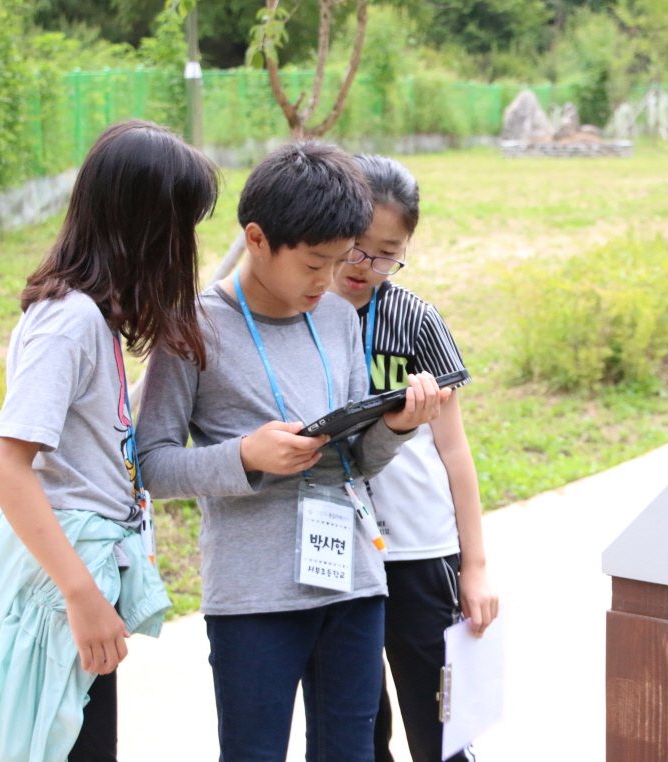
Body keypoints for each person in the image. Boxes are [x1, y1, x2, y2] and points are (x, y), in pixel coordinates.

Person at [134, 141, 450, 762]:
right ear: (255, 239)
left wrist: (399, 426)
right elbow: (153, 465)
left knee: (351, 752)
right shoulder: (191, 328)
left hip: (354, 583)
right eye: (312, 264)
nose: (328, 281)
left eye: (338, 262)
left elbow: (357, 459)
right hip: (255, 597)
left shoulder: (335, 317)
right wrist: (246, 456)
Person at [0, 120, 219, 762]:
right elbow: (5, 465)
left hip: (81, 582)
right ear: (146, 227)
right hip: (64, 591)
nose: (186, 245)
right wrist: (81, 597)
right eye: (182, 227)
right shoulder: (69, 322)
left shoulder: (95, 318)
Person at [328, 155, 499, 762]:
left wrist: (474, 566)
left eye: (386, 252)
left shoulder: (416, 321)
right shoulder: (304, 316)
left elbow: (454, 453)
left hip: (421, 554)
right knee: (357, 730)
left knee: (442, 731)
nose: (365, 267)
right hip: (336, 556)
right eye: (353, 247)